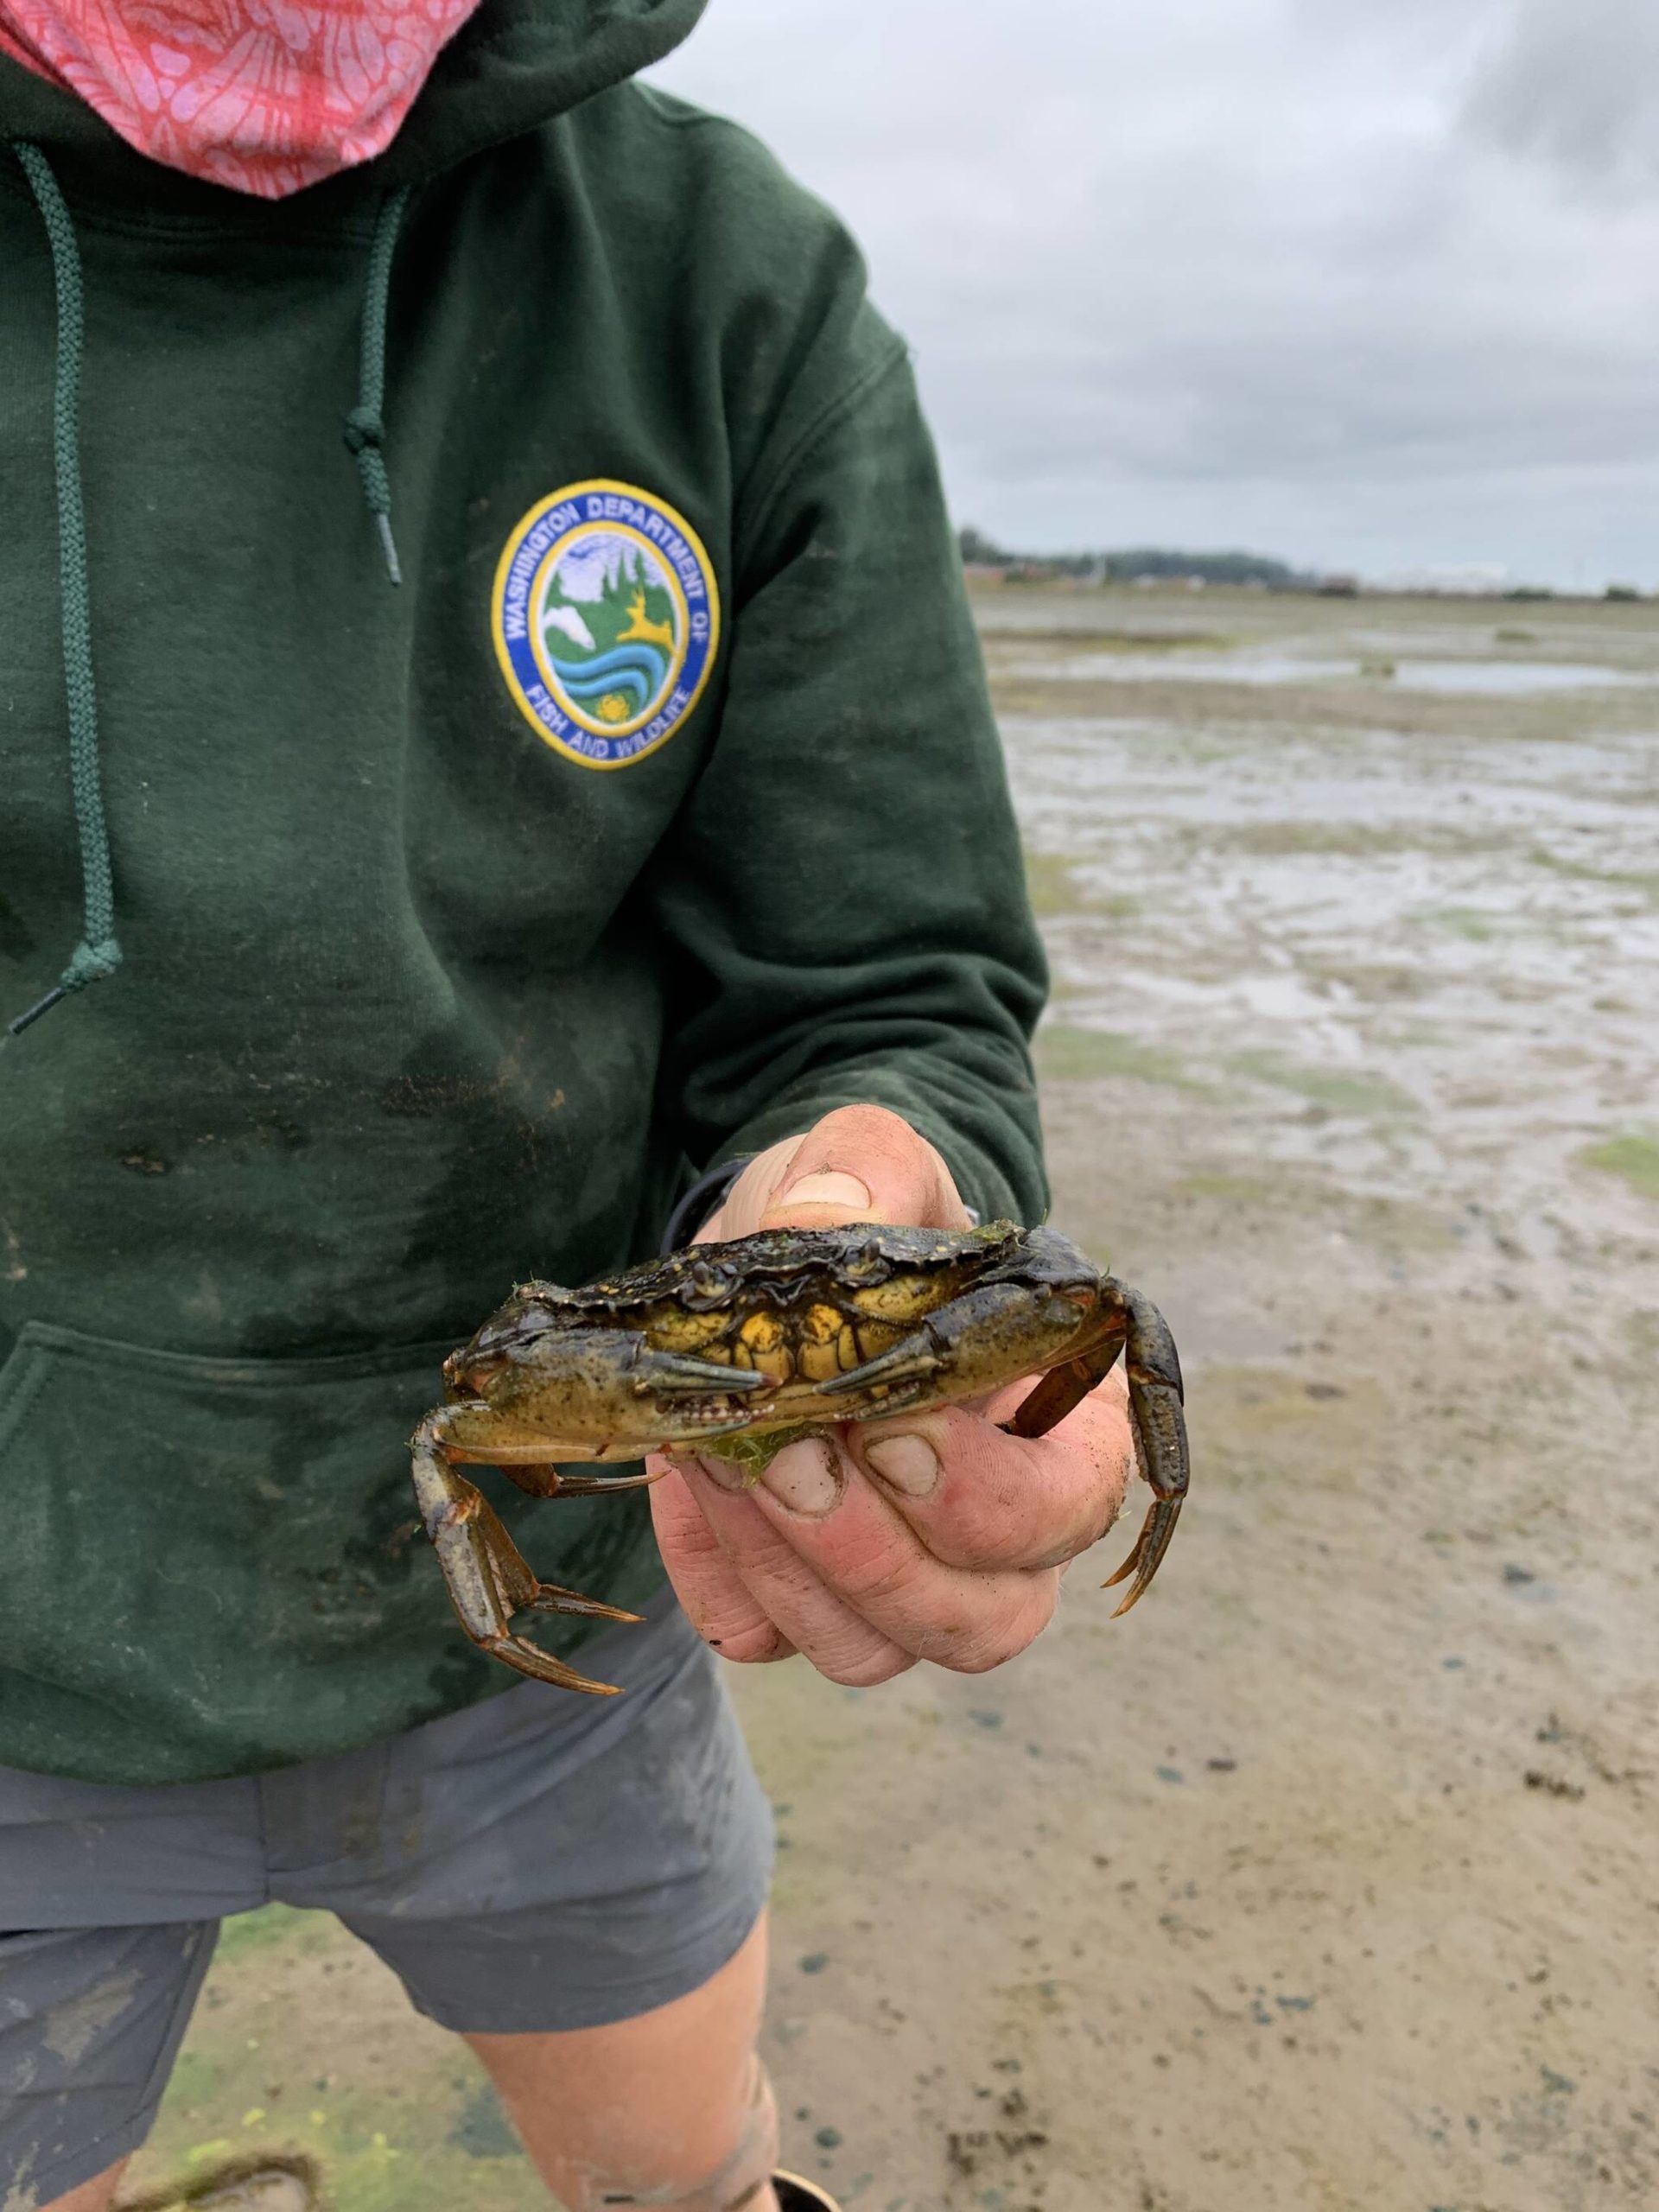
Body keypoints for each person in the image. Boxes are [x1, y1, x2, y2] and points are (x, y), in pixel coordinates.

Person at [0, 2, 1135, 2207]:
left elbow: (892, 986)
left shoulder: (718, 280)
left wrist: (875, 1158)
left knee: (691, 2175)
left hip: (568, 1610)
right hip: (16, 1632)